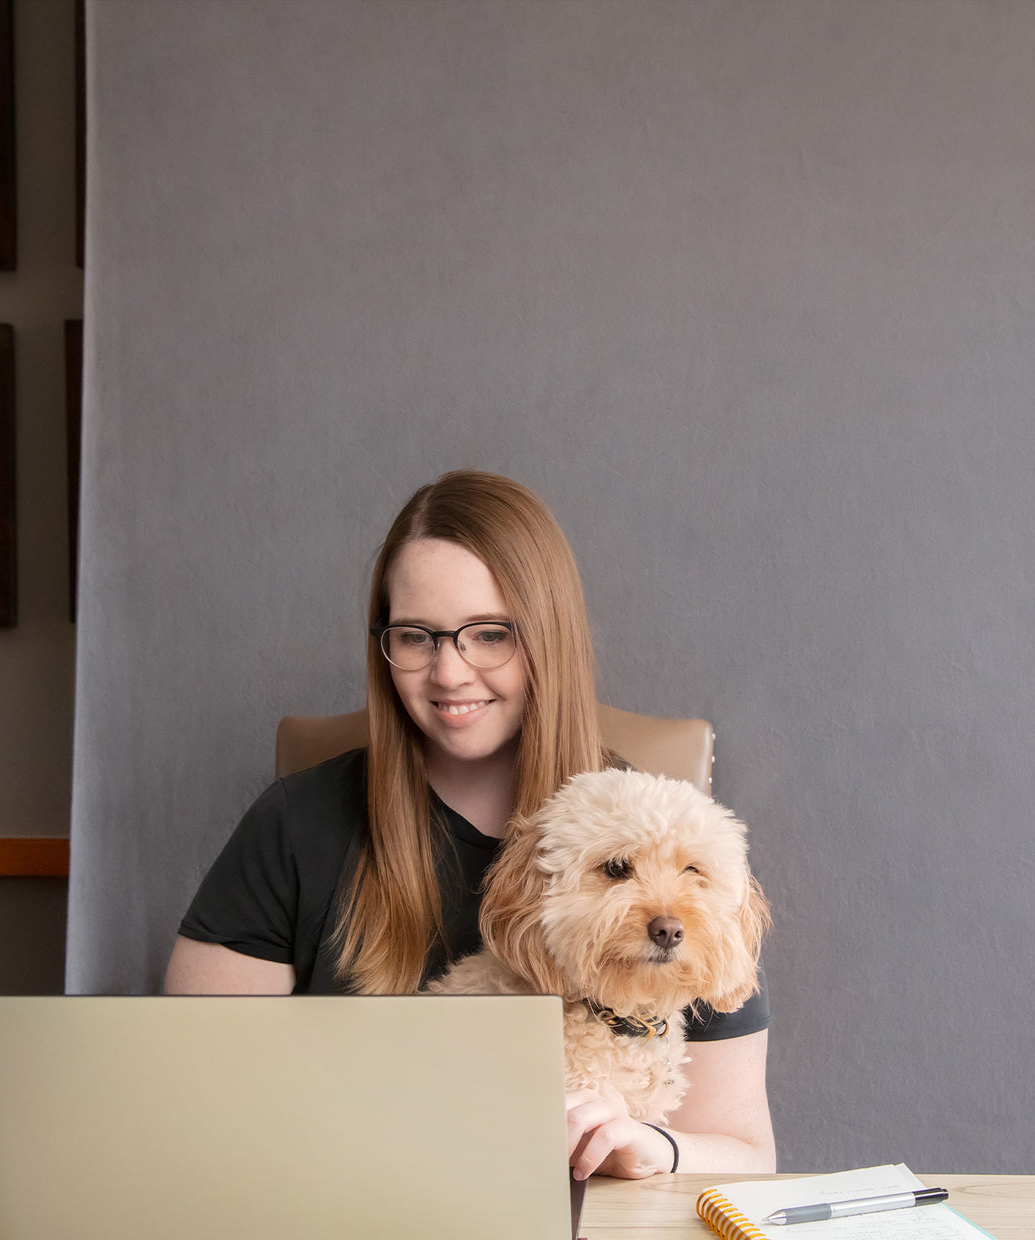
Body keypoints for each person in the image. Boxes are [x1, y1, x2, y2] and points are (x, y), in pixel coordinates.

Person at [165, 470, 775, 1178]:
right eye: (416, 637)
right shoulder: (293, 825)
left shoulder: (674, 847)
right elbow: (198, 1095)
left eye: (489, 635)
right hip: (345, 1215)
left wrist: (654, 1150)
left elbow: (743, 1154)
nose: (450, 673)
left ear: (548, 638)